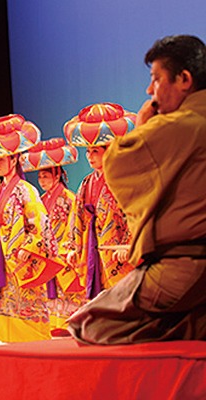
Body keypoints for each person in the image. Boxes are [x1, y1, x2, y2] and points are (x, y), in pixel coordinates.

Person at [68, 34, 206, 344]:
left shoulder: (179, 124)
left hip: (182, 265)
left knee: (88, 324)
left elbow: (121, 165)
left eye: (156, 79)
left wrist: (143, 125)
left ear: (184, 79)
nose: (149, 90)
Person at [0, 114, 61, 343]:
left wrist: (29, 247)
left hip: (20, 258)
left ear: (14, 159)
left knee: (26, 304)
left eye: (2, 159)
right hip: (0, 256)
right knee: (7, 305)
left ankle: (34, 346)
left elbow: (39, 223)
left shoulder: (25, 190)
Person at [62, 103, 136, 302]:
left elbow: (136, 213)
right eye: (88, 152)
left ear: (109, 150)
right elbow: (77, 217)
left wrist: (128, 245)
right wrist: (73, 247)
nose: (90, 157)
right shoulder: (87, 183)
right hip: (92, 247)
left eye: (95, 151)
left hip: (117, 251)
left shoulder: (125, 180)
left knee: (123, 296)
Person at [21, 138, 85, 336]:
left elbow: (74, 225)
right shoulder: (40, 199)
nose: (42, 181)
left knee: (67, 291)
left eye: (46, 176)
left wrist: (67, 247)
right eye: (40, 177)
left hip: (63, 248)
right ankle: (55, 323)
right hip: (47, 250)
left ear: (57, 175)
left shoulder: (69, 198)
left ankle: (70, 322)